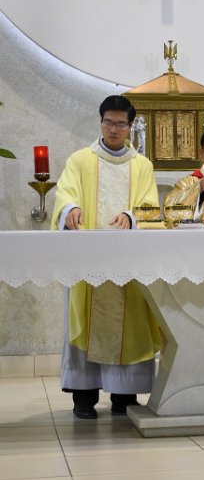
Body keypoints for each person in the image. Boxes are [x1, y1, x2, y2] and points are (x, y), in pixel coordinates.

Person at [51, 95, 162, 419]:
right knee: (84, 322)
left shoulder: (142, 165)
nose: (114, 130)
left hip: (127, 261)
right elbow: (66, 192)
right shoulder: (80, 160)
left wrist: (131, 215)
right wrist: (70, 209)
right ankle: (83, 397)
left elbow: (149, 205)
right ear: (100, 121)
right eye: (108, 123)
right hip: (88, 259)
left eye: (120, 124)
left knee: (130, 325)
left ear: (131, 126)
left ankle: (123, 397)